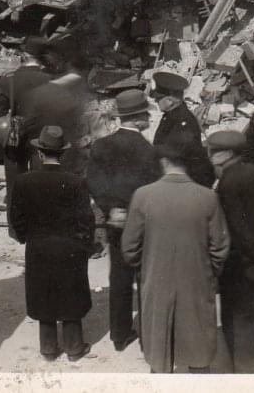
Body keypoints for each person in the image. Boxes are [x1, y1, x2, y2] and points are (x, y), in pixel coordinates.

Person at [121, 143, 230, 374]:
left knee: (159, 345)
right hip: (197, 280)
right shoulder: (208, 196)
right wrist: (208, 272)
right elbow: (220, 247)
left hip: (156, 279)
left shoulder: (143, 195)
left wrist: (147, 267)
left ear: (163, 162)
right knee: (198, 341)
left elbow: (129, 247)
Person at [9, 126, 96, 362]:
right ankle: (74, 347)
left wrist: (28, 237)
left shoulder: (24, 181)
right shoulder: (76, 182)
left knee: (43, 293)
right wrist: (85, 245)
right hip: (70, 248)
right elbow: (87, 219)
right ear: (63, 154)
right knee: (71, 294)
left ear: (39, 153)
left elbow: (16, 218)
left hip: (39, 247)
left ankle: (48, 348)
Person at [86, 89, 161, 352]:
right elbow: (153, 190)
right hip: (143, 222)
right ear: (139, 118)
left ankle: (119, 335)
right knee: (145, 278)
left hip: (115, 222)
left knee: (118, 275)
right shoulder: (149, 150)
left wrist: (111, 209)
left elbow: (94, 183)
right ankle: (149, 335)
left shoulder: (101, 145)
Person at [209, 129, 254, 374]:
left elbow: (236, 225)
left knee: (235, 314)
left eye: (214, 152)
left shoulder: (228, 182)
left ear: (226, 154)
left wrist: (253, 251)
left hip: (238, 258)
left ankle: (241, 369)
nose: (211, 156)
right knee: (251, 315)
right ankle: (251, 365)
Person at [0, 36, 53, 217]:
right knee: (41, 182)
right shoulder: (50, 80)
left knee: (14, 183)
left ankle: (16, 227)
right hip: (42, 137)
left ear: (24, 55)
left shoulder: (7, 80)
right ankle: (39, 221)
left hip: (15, 135)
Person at [18, 39, 92, 176]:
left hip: (41, 158)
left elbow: (26, 126)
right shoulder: (75, 97)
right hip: (69, 161)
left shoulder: (38, 93)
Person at [151, 68, 214, 187]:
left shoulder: (183, 122)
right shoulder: (171, 115)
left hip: (186, 180)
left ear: (170, 100)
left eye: (159, 98)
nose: (155, 100)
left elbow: (173, 153)